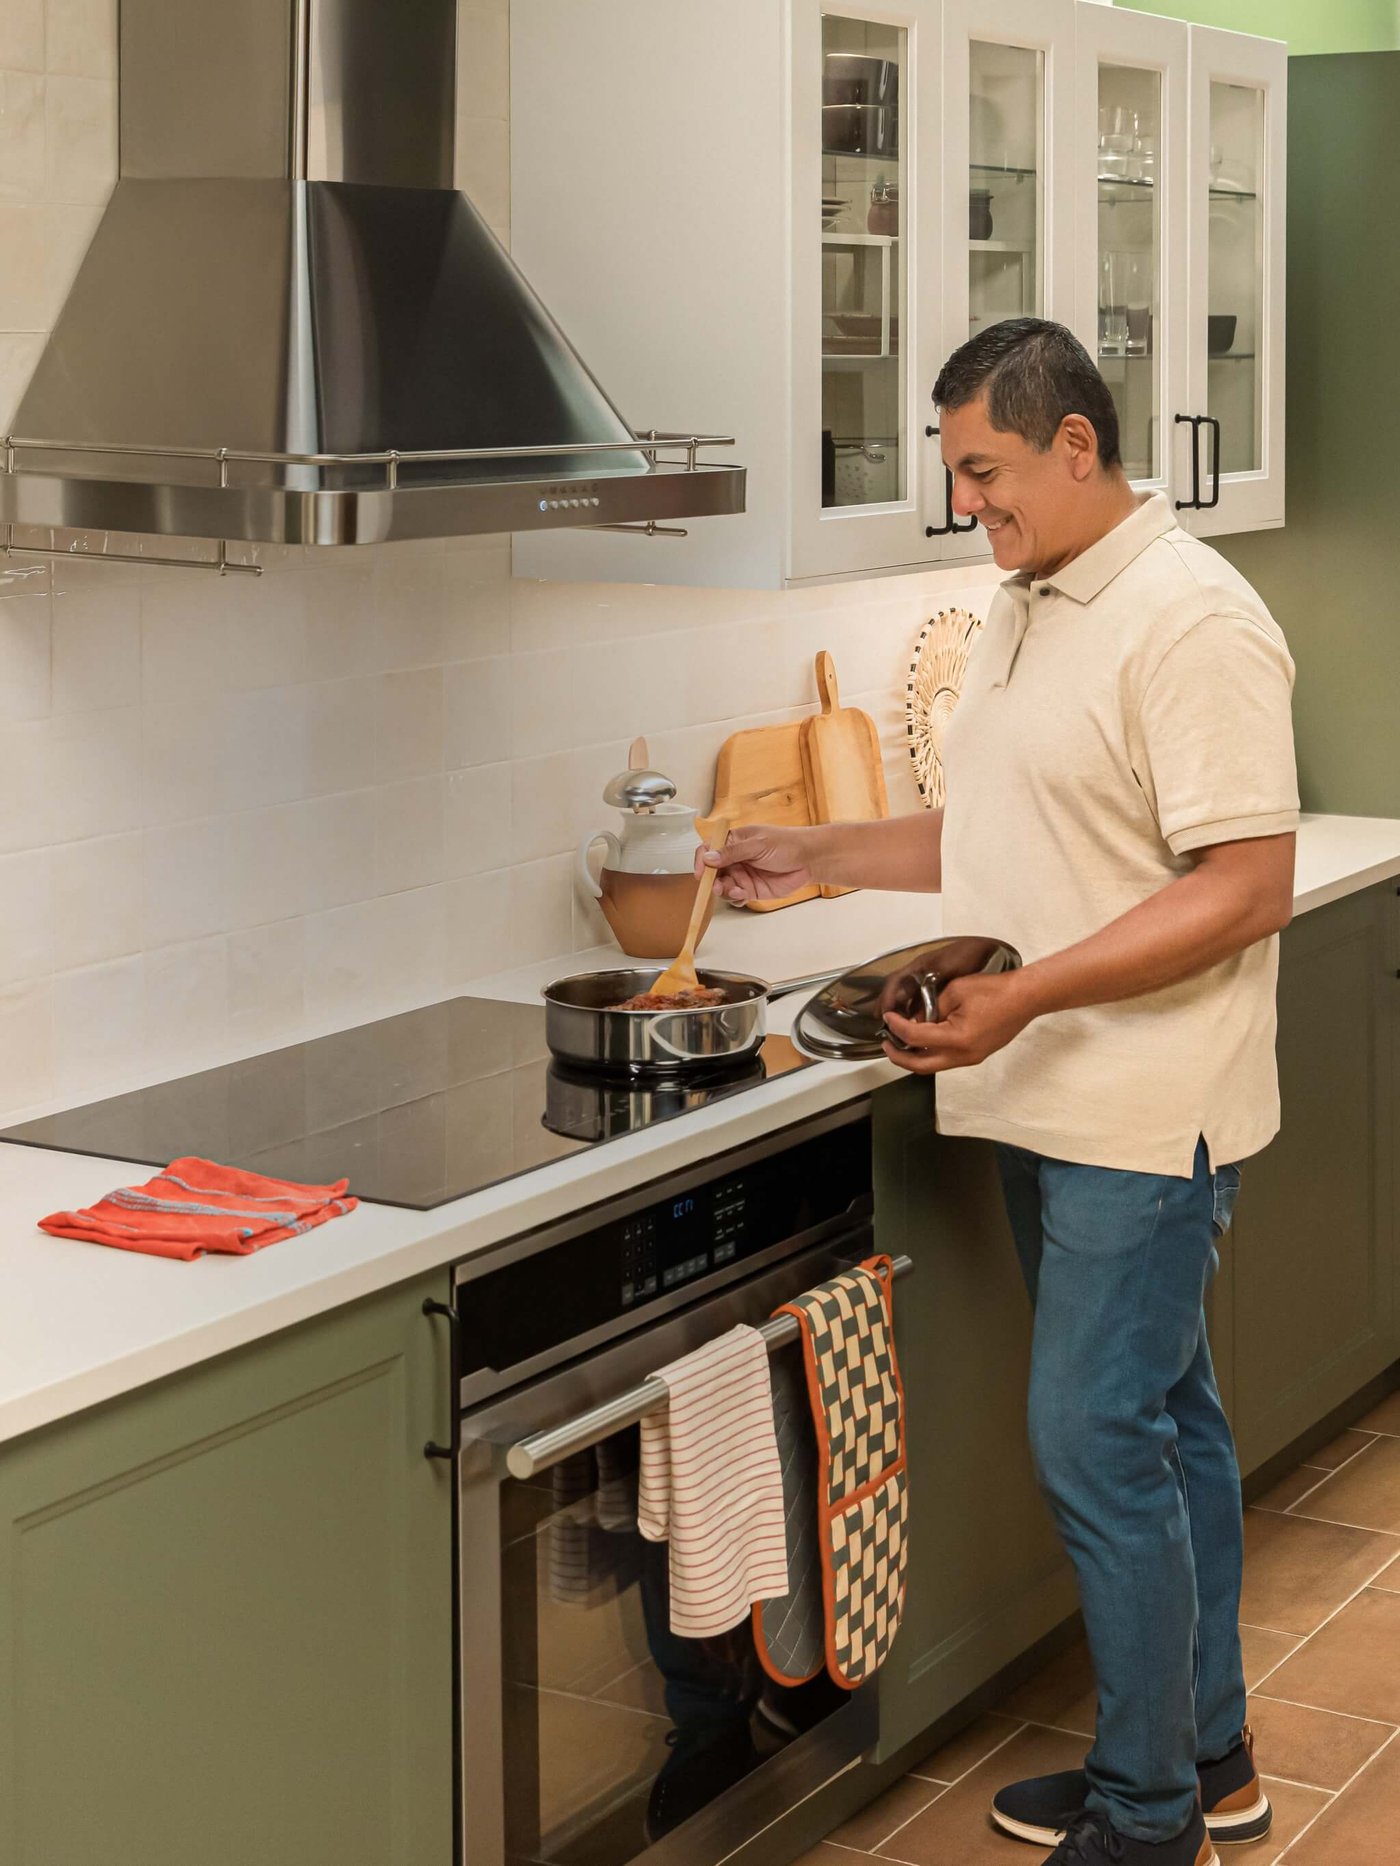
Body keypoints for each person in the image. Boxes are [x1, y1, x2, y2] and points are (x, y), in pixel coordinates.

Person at [703, 319, 1299, 1866]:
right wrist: (816, 854)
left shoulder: (1191, 618)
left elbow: (1247, 885)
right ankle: (1200, 1752)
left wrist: (1024, 991)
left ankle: (1151, 1815)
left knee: (1100, 1442)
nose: (970, 502)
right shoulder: (1032, 598)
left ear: (1079, 448)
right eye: (958, 474)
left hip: (1140, 1107)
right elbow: (1001, 826)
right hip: (1049, 1098)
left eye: (987, 470)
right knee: (1164, 1428)